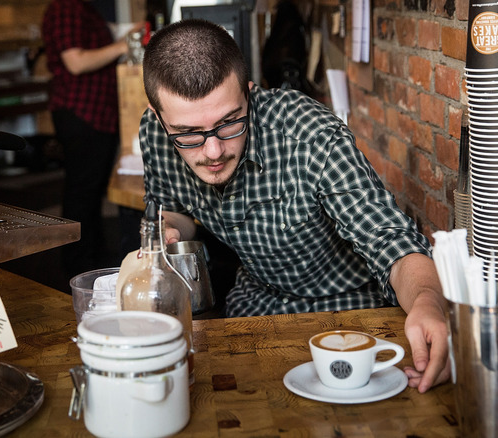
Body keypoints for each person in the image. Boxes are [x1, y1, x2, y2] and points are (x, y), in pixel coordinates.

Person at [139, 19, 450, 393]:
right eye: (188, 134)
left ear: (249, 94)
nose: (213, 151)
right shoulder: (154, 135)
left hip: (349, 310)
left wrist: (430, 301)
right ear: (160, 119)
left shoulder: (310, 135)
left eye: (229, 123)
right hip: (255, 306)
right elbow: (173, 211)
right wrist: (167, 231)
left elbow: (392, 243)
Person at [42, 0, 130, 276]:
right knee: (82, 193)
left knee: (88, 193)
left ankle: (92, 261)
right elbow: (75, 62)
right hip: (81, 112)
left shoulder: (83, 8)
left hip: (93, 112)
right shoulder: (67, 6)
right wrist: (124, 46)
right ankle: (78, 266)